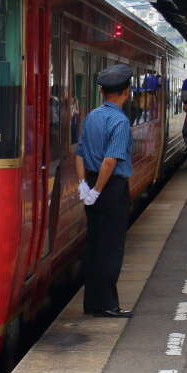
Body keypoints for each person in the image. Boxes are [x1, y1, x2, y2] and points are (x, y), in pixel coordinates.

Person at [75, 64, 135, 319]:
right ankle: (108, 304)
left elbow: (78, 153)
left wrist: (84, 185)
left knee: (95, 245)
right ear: (127, 92)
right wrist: (99, 189)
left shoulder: (92, 116)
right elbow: (110, 161)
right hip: (109, 188)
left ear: (101, 92)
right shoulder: (120, 121)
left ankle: (92, 302)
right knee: (111, 247)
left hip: (90, 184)